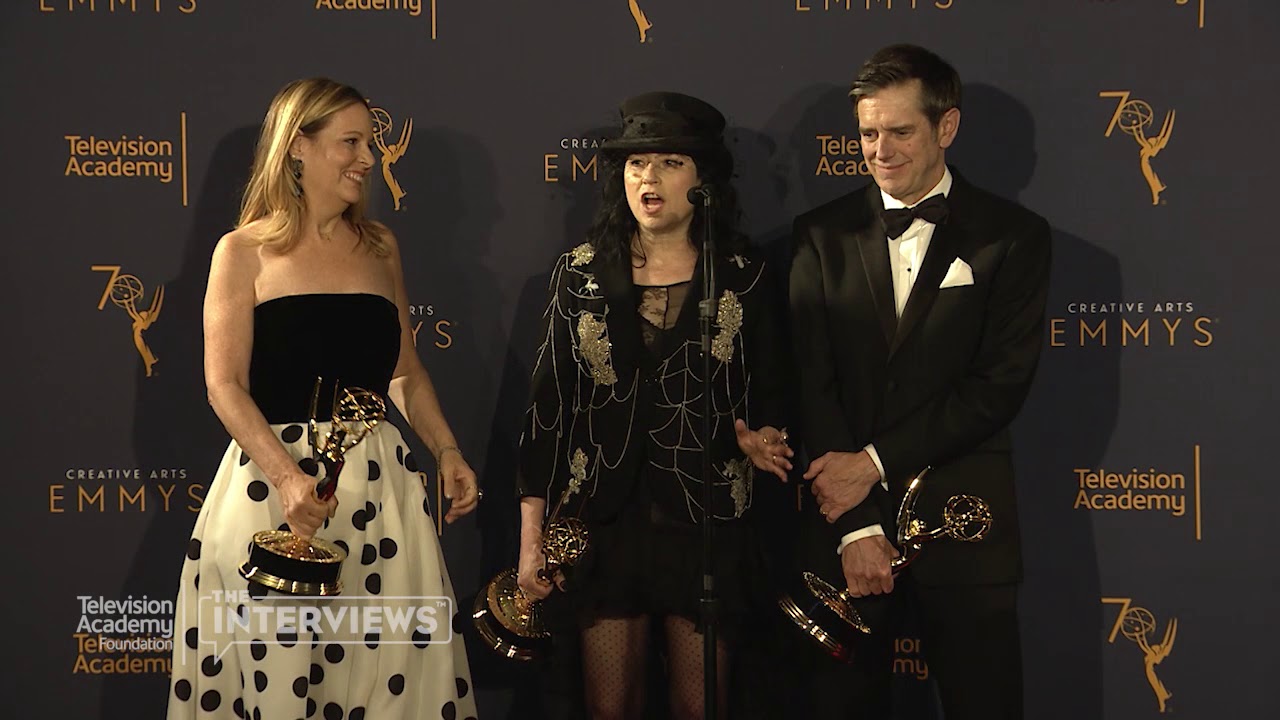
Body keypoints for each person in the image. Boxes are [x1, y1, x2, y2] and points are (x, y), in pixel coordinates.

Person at [166, 78, 479, 719]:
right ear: (298, 148)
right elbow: (223, 384)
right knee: (277, 683)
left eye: (372, 143)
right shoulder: (243, 251)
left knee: (385, 683)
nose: (369, 158)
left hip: (381, 496)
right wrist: (288, 480)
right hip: (272, 497)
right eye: (352, 142)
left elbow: (405, 372)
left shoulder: (380, 246)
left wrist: (445, 448)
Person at [789, 45, 1051, 719]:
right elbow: (809, 383)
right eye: (868, 134)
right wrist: (855, 526)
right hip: (844, 535)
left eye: (900, 132)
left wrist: (870, 465)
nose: (880, 150)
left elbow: (997, 387)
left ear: (947, 127)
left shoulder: (1013, 237)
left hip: (966, 528)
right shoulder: (819, 236)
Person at [515, 91, 791, 720]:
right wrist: (531, 540)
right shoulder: (578, 274)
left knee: (704, 708)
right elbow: (546, 416)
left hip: (706, 526)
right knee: (610, 709)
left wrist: (759, 438)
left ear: (704, 180)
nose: (649, 178)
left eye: (669, 162)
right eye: (637, 164)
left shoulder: (744, 274)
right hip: (602, 529)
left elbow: (775, 393)